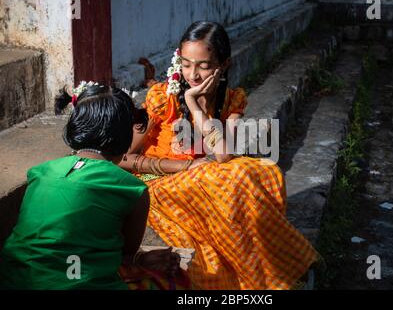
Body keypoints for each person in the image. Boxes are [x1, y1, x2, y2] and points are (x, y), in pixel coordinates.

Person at [119, 21, 318, 290]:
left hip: (202, 175)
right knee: (227, 176)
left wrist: (194, 105)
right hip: (158, 181)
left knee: (264, 171)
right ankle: (271, 276)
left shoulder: (231, 100)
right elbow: (122, 157)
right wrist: (184, 166)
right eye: (186, 64)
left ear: (223, 65)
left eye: (204, 65)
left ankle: (267, 270)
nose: (193, 74)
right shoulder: (161, 97)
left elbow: (223, 154)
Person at [0, 85, 183, 290]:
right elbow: (126, 254)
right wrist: (141, 260)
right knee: (174, 282)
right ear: (125, 136)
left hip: (12, 281)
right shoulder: (132, 189)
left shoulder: (40, 172)